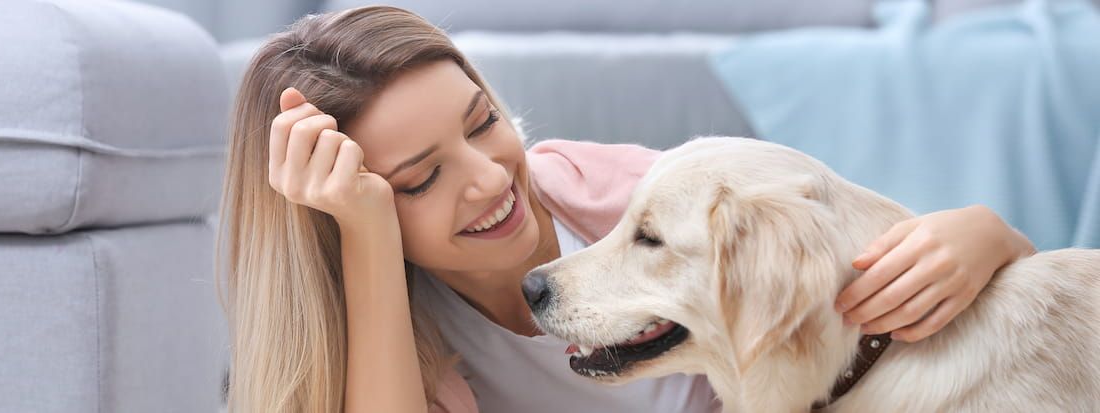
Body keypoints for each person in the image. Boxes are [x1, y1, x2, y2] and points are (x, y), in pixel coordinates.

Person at [215, 6, 1038, 413]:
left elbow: (836, 270)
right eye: (419, 180)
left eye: (482, 122)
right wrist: (363, 237)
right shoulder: (392, 335)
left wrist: (987, 237)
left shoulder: (619, 193)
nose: (491, 179)